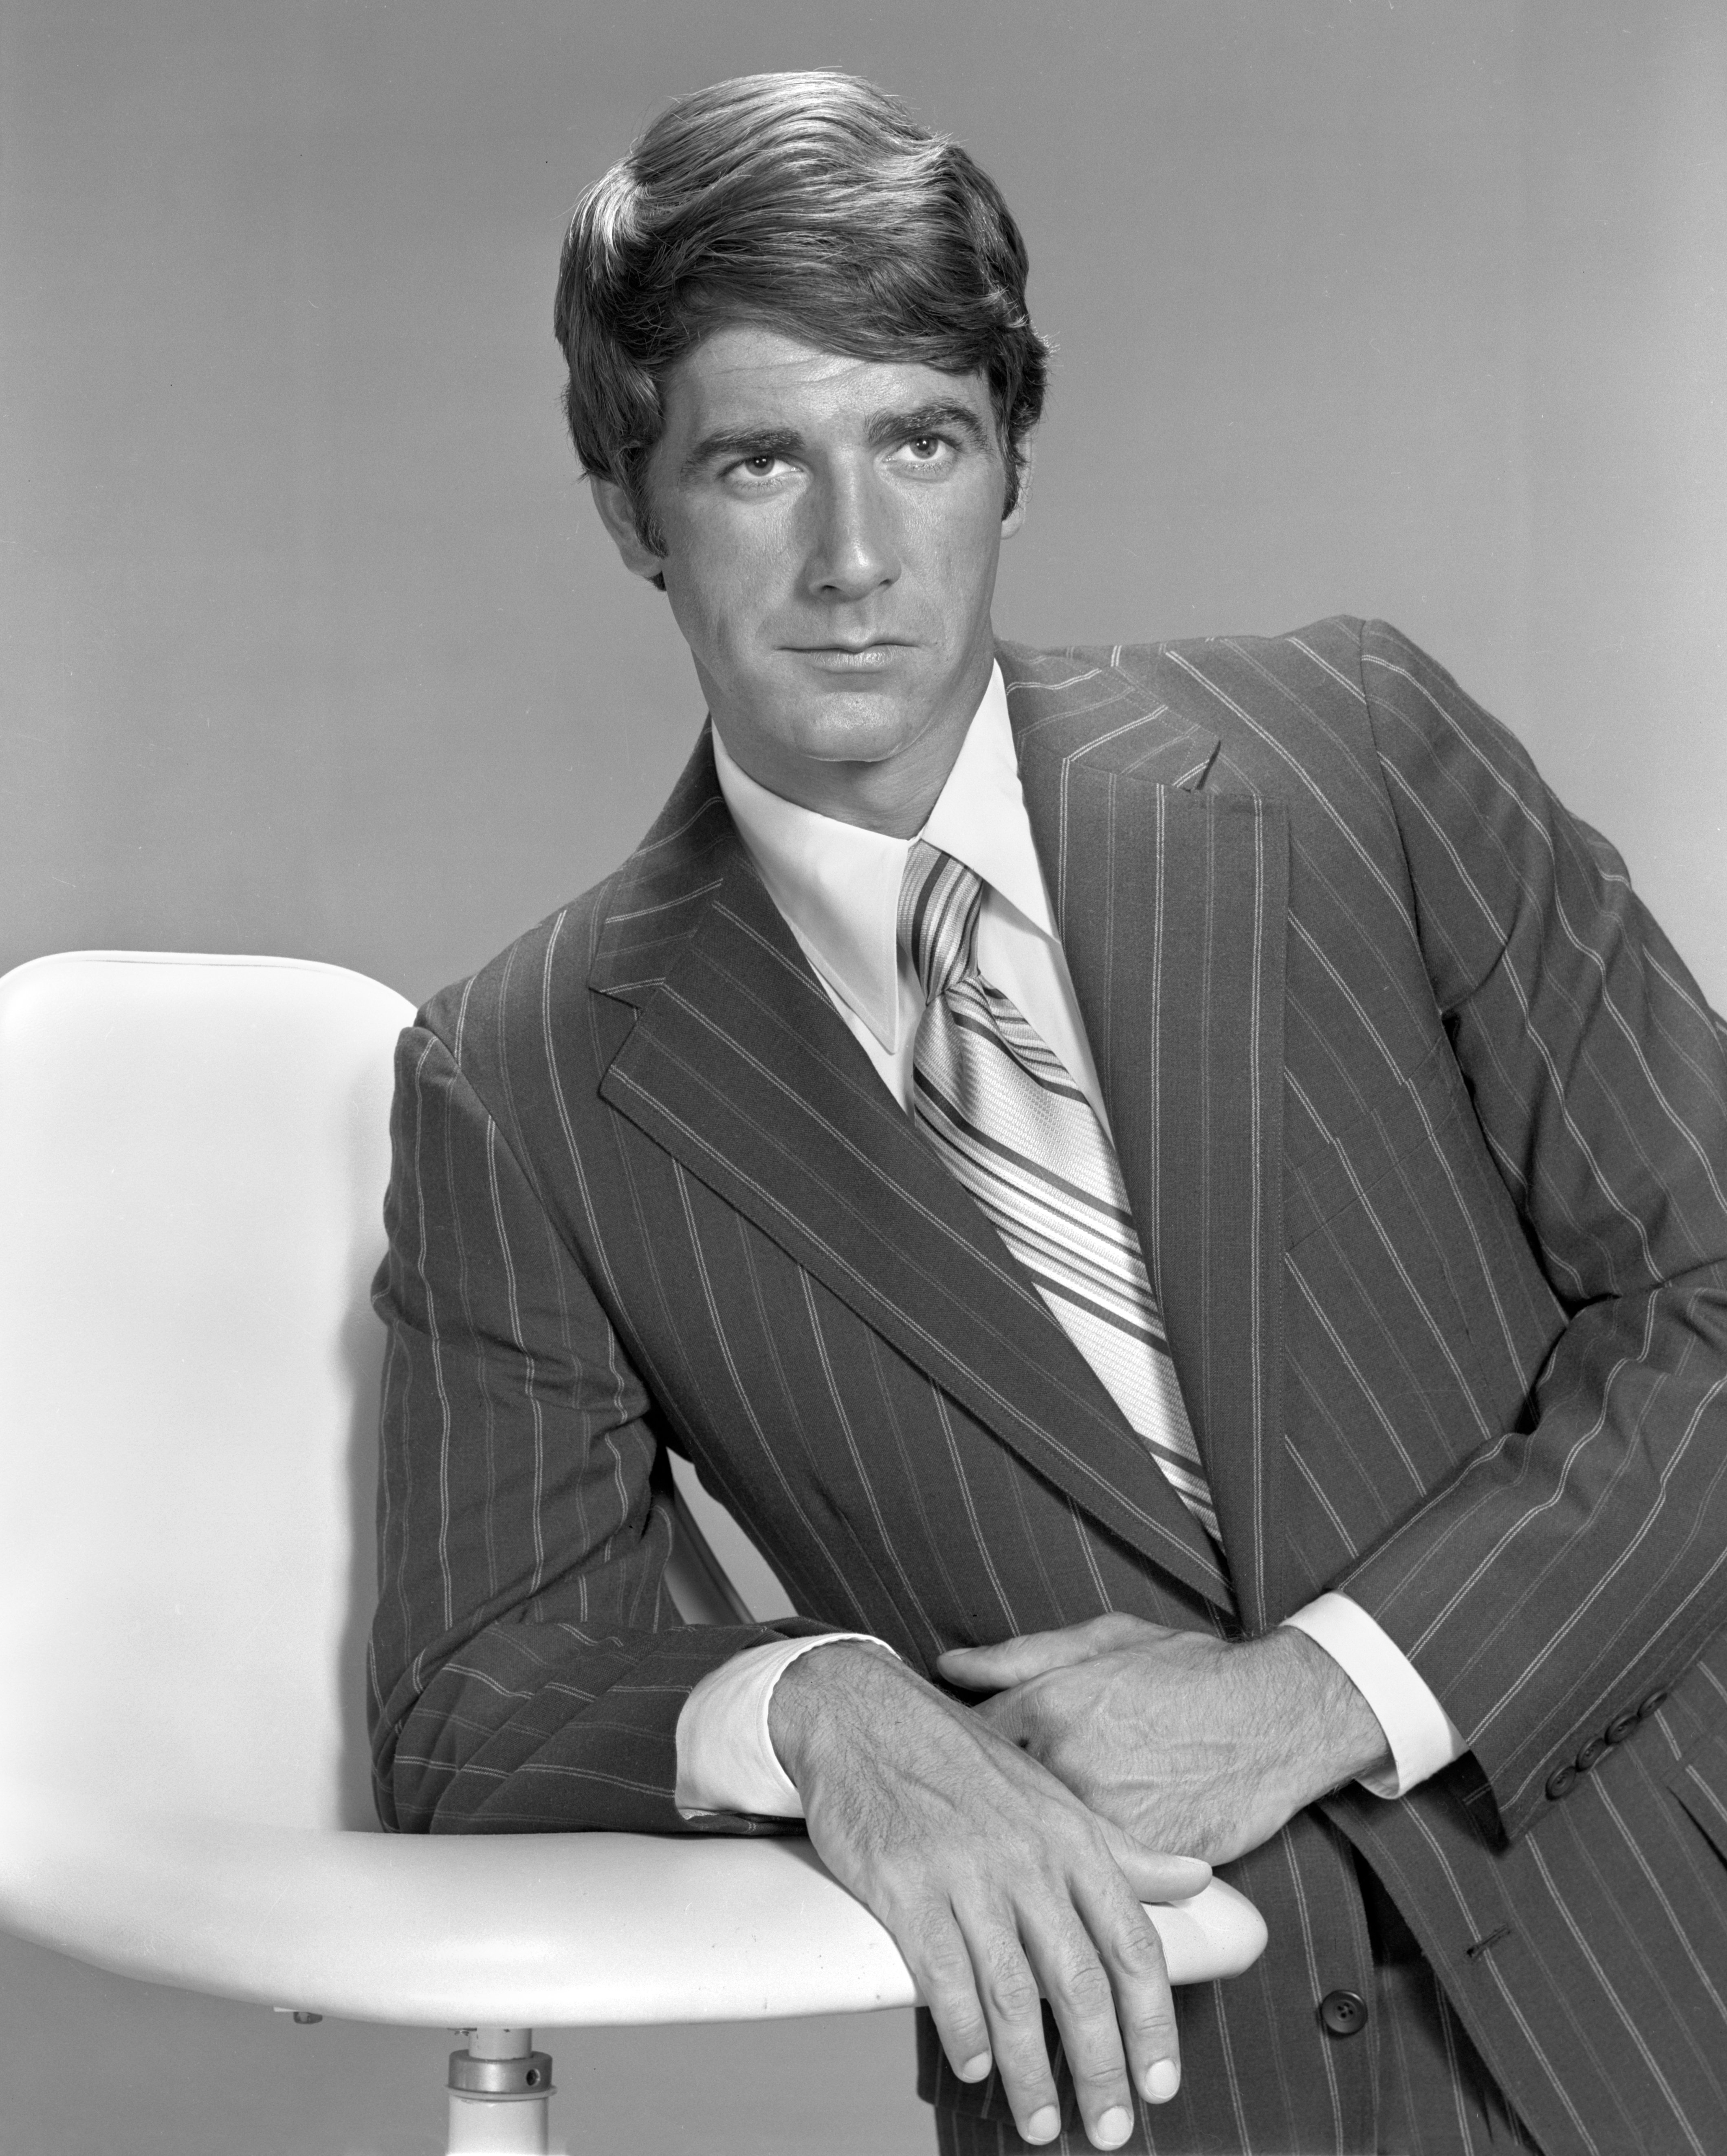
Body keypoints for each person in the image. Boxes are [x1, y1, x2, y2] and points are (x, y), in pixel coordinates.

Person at [367, 69, 1727, 2156]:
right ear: (630, 507)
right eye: (754, 461)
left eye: (918, 439)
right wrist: (821, 1709)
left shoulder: (1354, 754)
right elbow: (470, 1695)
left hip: (1666, 1965)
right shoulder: (522, 1076)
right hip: (1168, 2087)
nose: (850, 557)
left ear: (1014, 455)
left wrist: (1319, 1693)